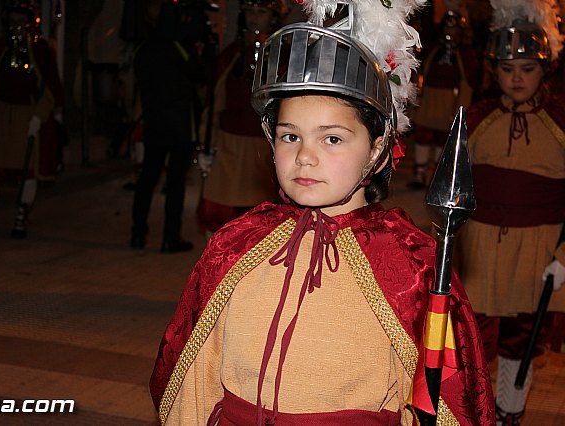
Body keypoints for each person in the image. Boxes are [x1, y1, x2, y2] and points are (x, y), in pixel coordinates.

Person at [149, 1, 494, 424]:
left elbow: (445, 402)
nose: (305, 157)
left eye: (332, 139)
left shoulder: (413, 270)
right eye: (290, 135)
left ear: (378, 148)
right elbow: (194, 382)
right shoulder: (235, 247)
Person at [455, 1, 565, 424]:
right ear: (493, 69)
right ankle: (474, 411)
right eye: (506, 67)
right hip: (481, 248)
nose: (516, 78)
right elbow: (454, 185)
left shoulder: (559, 121)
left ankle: (509, 412)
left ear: (545, 69)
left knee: (521, 340)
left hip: (537, 251)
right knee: (474, 337)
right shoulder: (477, 118)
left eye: (527, 68)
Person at [0, 0, 62, 240]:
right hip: (0, 115)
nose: (16, 26)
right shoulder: (1, 48)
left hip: (25, 116)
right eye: (12, 21)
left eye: (21, 21)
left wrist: (38, 117)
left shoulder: (41, 52)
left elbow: (50, 90)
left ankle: (21, 219)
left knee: (27, 169)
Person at [196, 0, 284, 237]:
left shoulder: (282, 57)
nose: (254, 18)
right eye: (250, 12)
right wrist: (207, 143)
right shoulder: (231, 55)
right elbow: (215, 101)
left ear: (273, 16)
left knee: (261, 221)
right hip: (229, 146)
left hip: (262, 148)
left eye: (261, 11)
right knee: (219, 214)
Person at [130, 0, 208, 253]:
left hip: (154, 123)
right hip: (180, 126)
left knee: (147, 178)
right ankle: (169, 237)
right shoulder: (180, 48)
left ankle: (137, 234)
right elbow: (199, 75)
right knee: (175, 183)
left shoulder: (143, 49)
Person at [408, 8, 479, 190]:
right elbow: (421, 69)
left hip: (451, 100)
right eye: (447, 29)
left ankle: (436, 177)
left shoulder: (465, 53)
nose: (450, 32)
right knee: (423, 135)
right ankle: (420, 173)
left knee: (444, 138)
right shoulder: (434, 48)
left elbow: (470, 77)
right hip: (430, 97)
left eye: (453, 29)